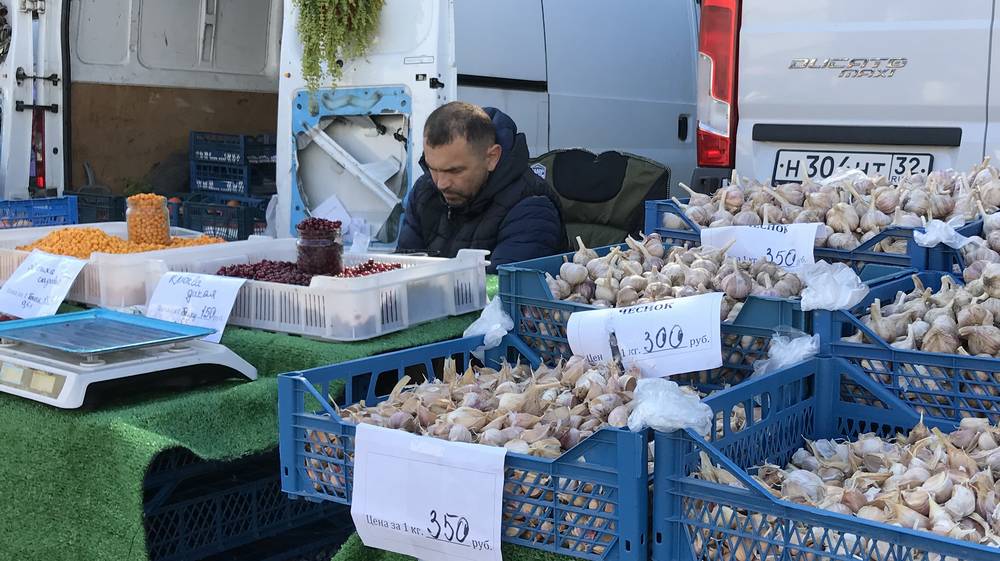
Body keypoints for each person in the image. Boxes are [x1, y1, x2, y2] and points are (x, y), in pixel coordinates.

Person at [397, 102, 567, 272]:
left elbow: (501, 291)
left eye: (455, 171)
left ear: (492, 157)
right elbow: (403, 270)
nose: (441, 183)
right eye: (433, 168)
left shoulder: (532, 207)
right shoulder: (424, 191)